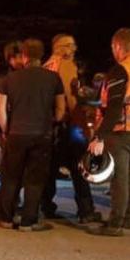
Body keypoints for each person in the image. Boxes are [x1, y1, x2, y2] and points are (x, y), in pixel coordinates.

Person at [88, 28, 130, 236]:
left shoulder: (121, 70)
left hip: (124, 130)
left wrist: (99, 136)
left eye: (113, 48)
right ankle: (127, 218)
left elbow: (115, 107)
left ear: (118, 46)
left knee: (119, 178)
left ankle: (115, 224)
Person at [0, 38, 65, 231]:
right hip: (42, 134)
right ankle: (29, 221)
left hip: (16, 133)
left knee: (11, 177)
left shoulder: (10, 79)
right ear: (41, 55)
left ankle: (6, 218)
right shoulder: (53, 78)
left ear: (24, 55)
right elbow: (60, 109)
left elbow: (0, 109)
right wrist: (52, 122)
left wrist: (6, 129)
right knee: (35, 180)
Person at [42, 34, 101, 223]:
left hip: (51, 124)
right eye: (69, 45)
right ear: (58, 47)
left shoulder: (47, 65)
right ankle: (86, 210)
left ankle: (46, 206)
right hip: (69, 122)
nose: (73, 49)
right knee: (79, 166)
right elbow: (69, 97)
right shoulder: (66, 65)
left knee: (50, 167)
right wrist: (80, 120)